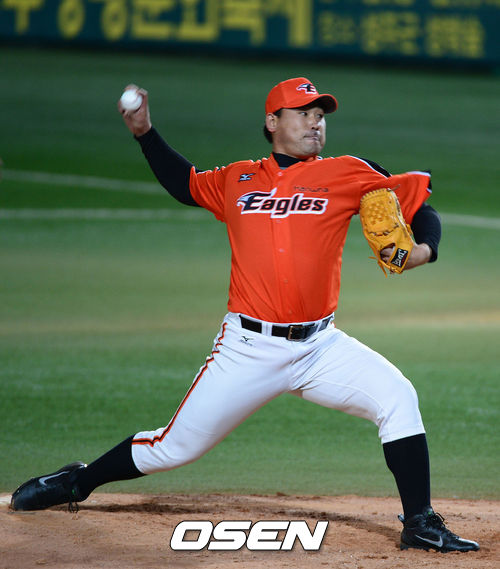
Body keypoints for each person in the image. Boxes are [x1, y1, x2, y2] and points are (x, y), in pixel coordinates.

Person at [11, 77, 479, 553]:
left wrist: (424, 250)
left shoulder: (349, 172)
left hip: (320, 347)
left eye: (320, 114)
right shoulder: (237, 179)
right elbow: (184, 184)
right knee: (174, 447)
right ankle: (78, 482)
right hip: (249, 348)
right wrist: (144, 133)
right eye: (304, 113)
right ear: (272, 121)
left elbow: (418, 204)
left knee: (398, 396)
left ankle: (419, 522)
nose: (316, 122)